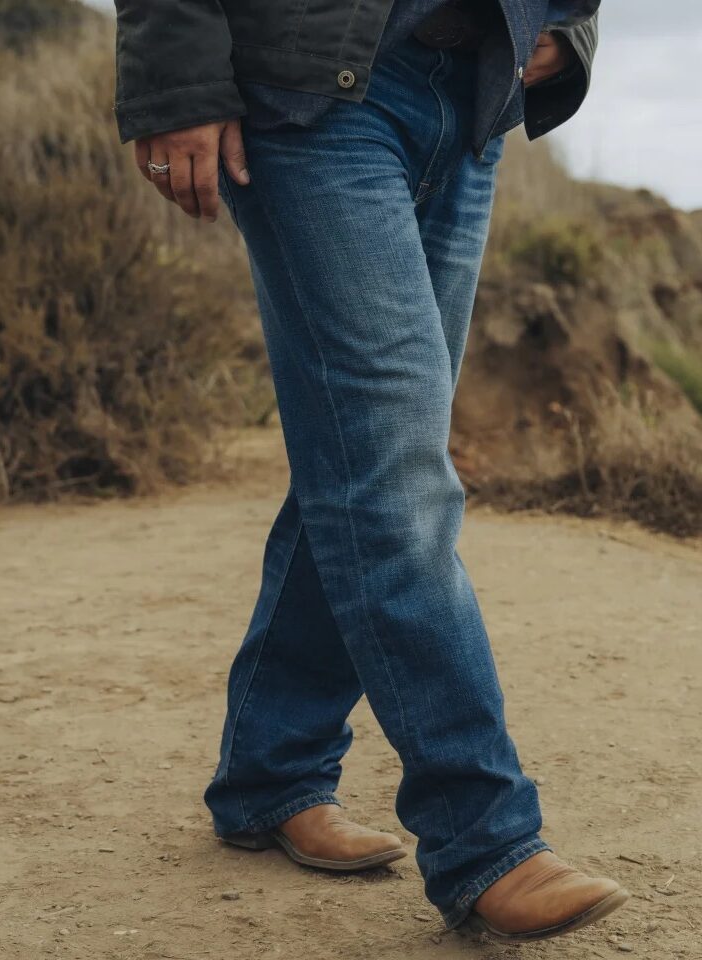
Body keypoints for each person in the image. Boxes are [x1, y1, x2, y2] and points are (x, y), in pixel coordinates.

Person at [113, 0, 630, 944]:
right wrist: (175, 79)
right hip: (315, 91)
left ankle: (269, 777)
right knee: (394, 475)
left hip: (471, 103)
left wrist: (569, 30)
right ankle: (487, 842)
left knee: (364, 457)